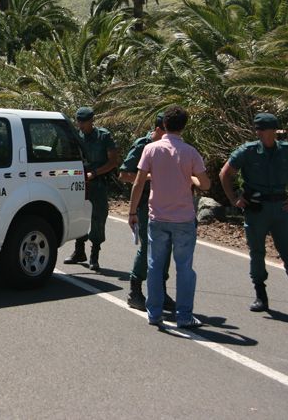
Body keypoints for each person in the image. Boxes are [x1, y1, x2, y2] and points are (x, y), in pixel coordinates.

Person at [219, 113, 288, 318]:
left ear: (273, 130)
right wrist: (234, 198)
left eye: (264, 129)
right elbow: (225, 173)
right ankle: (261, 296)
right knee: (257, 252)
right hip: (257, 209)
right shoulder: (247, 151)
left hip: (280, 209)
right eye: (259, 129)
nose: (261, 132)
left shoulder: (287, 151)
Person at [128, 106, 210, 328]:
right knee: (184, 268)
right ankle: (184, 315)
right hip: (183, 219)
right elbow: (206, 184)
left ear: (163, 124)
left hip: (158, 217)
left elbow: (138, 183)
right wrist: (191, 178)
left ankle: (154, 313)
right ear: (183, 126)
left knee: (155, 266)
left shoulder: (151, 149)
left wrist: (132, 211)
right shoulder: (191, 152)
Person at [119, 113, 174, 312]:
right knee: (148, 248)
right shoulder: (143, 145)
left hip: (166, 205)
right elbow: (124, 174)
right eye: (166, 132)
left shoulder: (171, 147)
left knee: (166, 247)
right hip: (145, 205)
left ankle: (160, 290)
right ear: (159, 130)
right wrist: (150, 176)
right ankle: (135, 291)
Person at [64, 106, 118, 272]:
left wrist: (95, 173)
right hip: (80, 183)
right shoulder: (77, 135)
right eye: (78, 121)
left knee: (97, 218)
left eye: (83, 122)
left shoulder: (103, 136)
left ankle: (95, 255)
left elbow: (113, 161)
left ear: (91, 121)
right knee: (79, 215)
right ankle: (79, 251)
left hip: (98, 183)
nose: (80, 125)